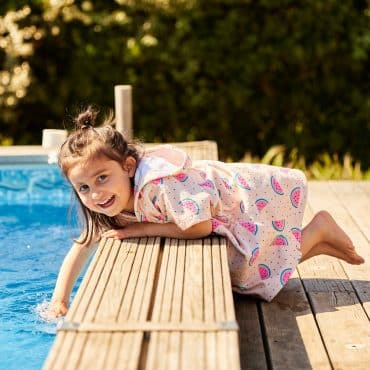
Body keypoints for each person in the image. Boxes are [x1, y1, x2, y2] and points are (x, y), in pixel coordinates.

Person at [48, 107, 365, 318]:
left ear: (128, 167)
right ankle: (321, 242)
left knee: (250, 277)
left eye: (102, 178)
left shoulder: (158, 187)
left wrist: (139, 230)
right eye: (84, 188)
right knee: (248, 280)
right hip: (209, 206)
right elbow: (82, 246)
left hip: (234, 199)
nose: (96, 193)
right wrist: (59, 300)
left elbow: (199, 226)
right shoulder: (109, 201)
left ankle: (320, 229)